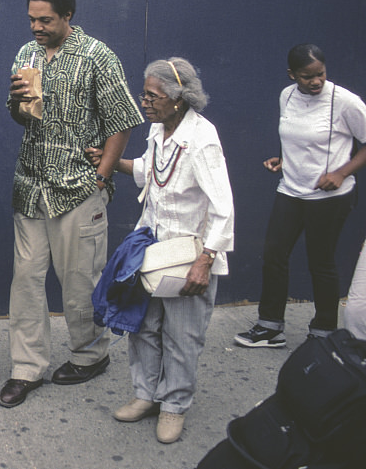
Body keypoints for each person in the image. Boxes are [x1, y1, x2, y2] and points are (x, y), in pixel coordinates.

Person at [0, 0, 143, 409]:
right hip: (30, 188)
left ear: (67, 16)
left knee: (80, 280)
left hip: (79, 188)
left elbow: (121, 122)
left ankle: (89, 354)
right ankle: (26, 368)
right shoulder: (27, 54)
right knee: (25, 280)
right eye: (31, 19)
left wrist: (101, 177)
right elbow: (21, 117)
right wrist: (18, 104)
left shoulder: (98, 57)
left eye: (45, 20)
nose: (36, 28)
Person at [89, 58, 235, 444]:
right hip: (152, 252)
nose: (145, 101)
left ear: (178, 99)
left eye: (152, 96)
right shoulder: (158, 130)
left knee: (183, 336)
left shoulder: (202, 139)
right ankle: (146, 395)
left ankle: (174, 406)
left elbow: (223, 207)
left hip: (189, 257)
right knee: (144, 326)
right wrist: (109, 161)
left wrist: (205, 261)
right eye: (145, 93)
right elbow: (150, 171)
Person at [236, 44, 366, 348]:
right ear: (292, 75)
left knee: (321, 262)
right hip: (291, 190)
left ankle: (322, 331)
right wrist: (283, 158)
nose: (316, 81)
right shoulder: (287, 96)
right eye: (307, 77)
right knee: (274, 256)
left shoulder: (345, 101)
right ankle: (270, 327)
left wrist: (342, 173)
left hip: (330, 198)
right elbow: (295, 136)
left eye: (320, 74)